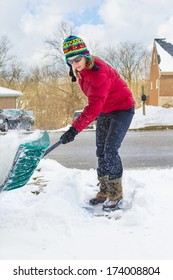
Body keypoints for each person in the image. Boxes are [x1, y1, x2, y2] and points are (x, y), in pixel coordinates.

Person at [60, 35, 135, 211]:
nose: (75, 63)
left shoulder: (99, 73)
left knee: (110, 149)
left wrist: (74, 129)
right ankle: (104, 190)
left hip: (122, 108)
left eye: (77, 59)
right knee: (100, 149)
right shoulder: (81, 70)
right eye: (70, 61)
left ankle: (115, 193)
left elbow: (93, 107)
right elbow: (96, 104)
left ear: (85, 55)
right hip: (105, 109)